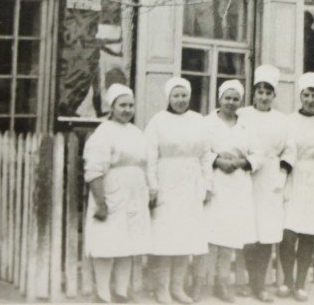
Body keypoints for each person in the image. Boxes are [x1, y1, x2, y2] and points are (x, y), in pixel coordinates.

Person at [144, 77, 215, 304]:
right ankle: (162, 289)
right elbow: (150, 157)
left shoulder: (198, 120)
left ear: (189, 96)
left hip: (191, 184)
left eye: (184, 95)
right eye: (176, 96)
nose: (180, 100)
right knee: (166, 238)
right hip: (166, 182)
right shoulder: (158, 121)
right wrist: (152, 186)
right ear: (169, 98)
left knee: (186, 238)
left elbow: (206, 155)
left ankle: (177, 287)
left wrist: (207, 185)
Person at [191, 80, 262, 303]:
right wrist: (217, 160)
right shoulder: (206, 123)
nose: (231, 102)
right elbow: (199, 151)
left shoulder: (246, 126)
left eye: (235, 99)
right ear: (219, 99)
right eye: (227, 98)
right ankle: (199, 283)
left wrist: (241, 162)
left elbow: (258, 155)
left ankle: (222, 284)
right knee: (208, 236)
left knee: (228, 237)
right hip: (213, 181)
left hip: (237, 185)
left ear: (241, 101)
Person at [82, 84, 151, 303]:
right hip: (112, 194)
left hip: (134, 196)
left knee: (128, 244)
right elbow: (93, 171)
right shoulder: (104, 133)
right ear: (111, 107)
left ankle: (121, 292)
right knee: (106, 243)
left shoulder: (136, 132)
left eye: (131, 105)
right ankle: (103, 294)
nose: (127, 110)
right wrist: (101, 202)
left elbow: (144, 165)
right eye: (122, 105)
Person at [238, 65, 295, 303]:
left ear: (274, 95)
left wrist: (281, 176)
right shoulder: (242, 115)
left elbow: (290, 150)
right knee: (246, 231)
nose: (263, 97)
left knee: (265, 233)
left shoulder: (282, 120)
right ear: (253, 93)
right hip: (245, 175)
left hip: (270, 179)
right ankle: (244, 282)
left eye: (268, 92)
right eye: (260, 92)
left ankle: (259, 285)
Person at [278, 73, 314, 302]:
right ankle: (286, 280)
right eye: (306, 95)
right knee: (288, 233)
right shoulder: (287, 122)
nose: (310, 100)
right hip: (292, 177)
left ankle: (300, 284)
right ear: (300, 96)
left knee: (308, 235)